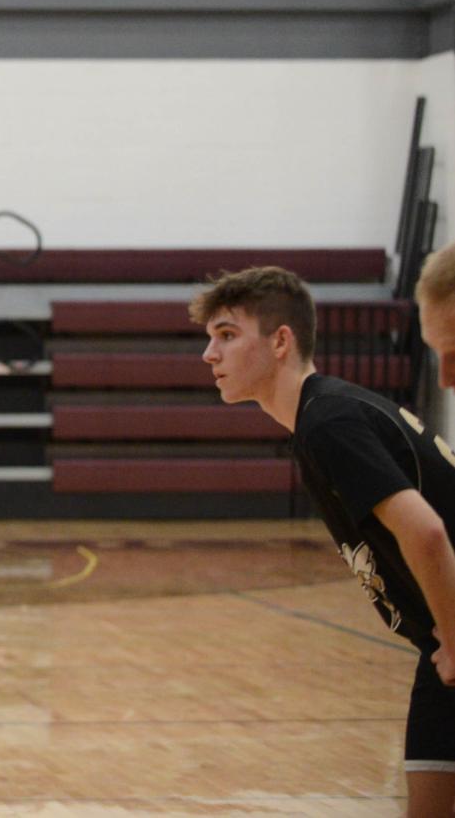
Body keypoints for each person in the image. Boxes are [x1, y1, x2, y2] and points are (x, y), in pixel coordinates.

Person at [194, 264, 455, 815]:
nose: (209, 355)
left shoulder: (328, 422)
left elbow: (427, 530)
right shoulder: (323, 417)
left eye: (227, 335)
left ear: (281, 341)